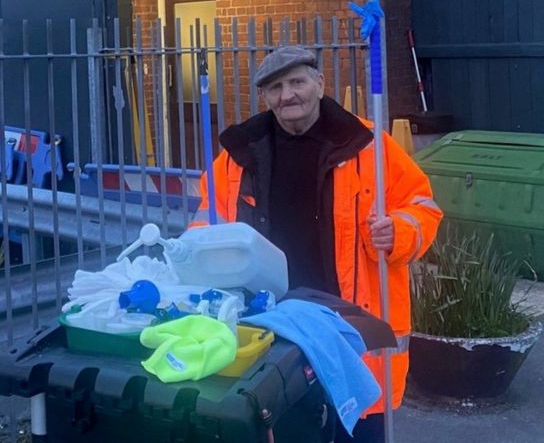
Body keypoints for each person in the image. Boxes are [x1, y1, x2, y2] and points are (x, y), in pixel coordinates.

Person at [189, 46, 443, 442]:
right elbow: (207, 222)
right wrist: (197, 254)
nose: (287, 95)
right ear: (265, 97)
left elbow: (423, 206)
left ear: (320, 84)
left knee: (357, 430)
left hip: (349, 330)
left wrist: (400, 231)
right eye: (275, 87)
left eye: (297, 82)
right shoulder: (240, 154)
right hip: (273, 326)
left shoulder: (367, 144)